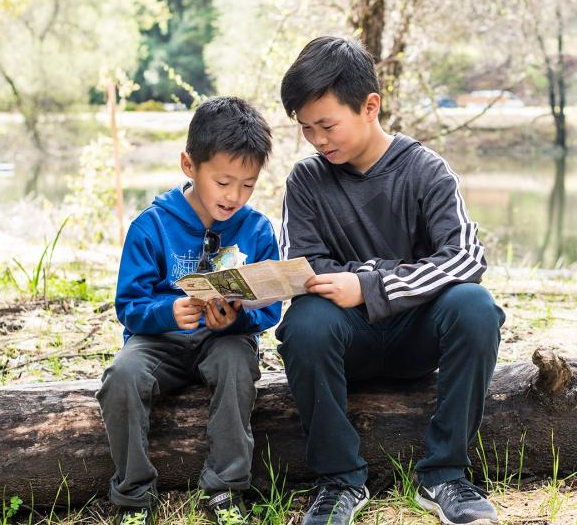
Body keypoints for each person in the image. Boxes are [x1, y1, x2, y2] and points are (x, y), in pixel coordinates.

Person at [276, 37, 505, 525]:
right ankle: (339, 481)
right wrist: (355, 284)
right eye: (306, 129)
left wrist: (371, 285)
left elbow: (465, 256)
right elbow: (302, 263)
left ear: (369, 106)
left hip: (417, 337)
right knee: (305, 321)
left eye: (327, 125)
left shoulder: (426, 170)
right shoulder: (306, 181)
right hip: (345, 341)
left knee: (474, 306)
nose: (317, 140)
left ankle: (445, 476)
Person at [96, 97, 281, 525]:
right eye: (223, 182)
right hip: (159, 342)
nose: (235, 196)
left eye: (248, 185)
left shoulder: (257, 229)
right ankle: (133, 495)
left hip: (224, 341)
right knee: (121, 376)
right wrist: (168, 312)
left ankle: (226, 490)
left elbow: (270, 308)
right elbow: (129, 307)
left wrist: (239, 319)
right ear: (188, 165)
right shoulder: (153, 225)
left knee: (237, 364)